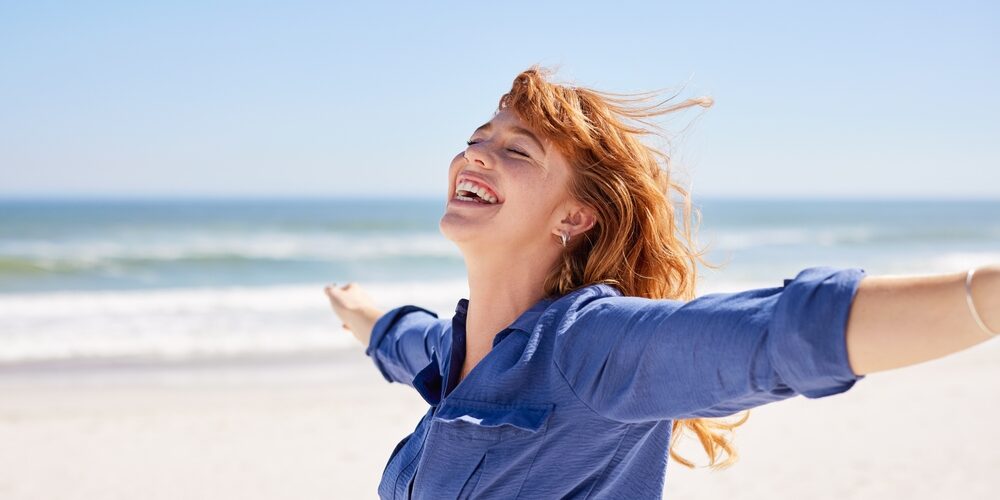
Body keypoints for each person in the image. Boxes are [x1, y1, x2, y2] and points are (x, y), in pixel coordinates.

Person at [324, 66, 999, 499]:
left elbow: (778, 337)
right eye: (479, 137)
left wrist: (982, 295)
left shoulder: (591, 348)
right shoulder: (452, 351)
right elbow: (398, 337)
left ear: (575, 215)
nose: (476, 152)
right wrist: (354, 308)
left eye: (515, 150)